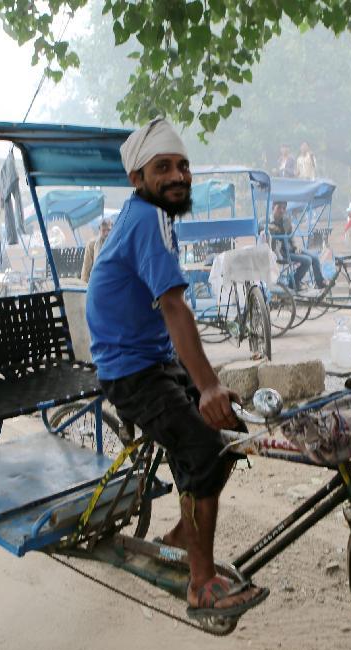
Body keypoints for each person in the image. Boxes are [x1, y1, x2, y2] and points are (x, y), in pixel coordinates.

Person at [86, 118, 268, 620]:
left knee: (229, 430)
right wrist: (207, 385)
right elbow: (174, 308)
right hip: (129, 370)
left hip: (154, 359)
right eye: (163, 167)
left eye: (183, 166)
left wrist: (211, 390)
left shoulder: (156, 216)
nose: (178, 176)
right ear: (137, 179)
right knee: (205, 447)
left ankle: (184, 533)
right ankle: (200, 584)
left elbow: (172, 315)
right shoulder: (145, 218)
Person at [268, 201, 326, 291]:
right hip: (280, 253)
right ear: (273, 208)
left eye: (284, 208)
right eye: (279, 208)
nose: (282, 210)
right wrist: (269, 227)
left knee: (315, 258)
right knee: (307, 260)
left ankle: (320, 283)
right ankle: (293, 282)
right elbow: (261, 230)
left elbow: (291, 236)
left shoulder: (286, 220)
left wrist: (296, 246)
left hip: (291, 249)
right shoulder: (265, 221)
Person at [80, 218, 112, 283]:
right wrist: (84, 286)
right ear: (99, 230)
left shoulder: (117, 244)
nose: (106, 233)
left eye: (108, 230)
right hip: (96, 280)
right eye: (103, 230)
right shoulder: (92, 245)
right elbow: (86, 268)